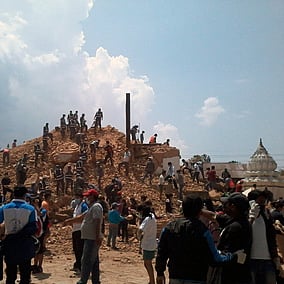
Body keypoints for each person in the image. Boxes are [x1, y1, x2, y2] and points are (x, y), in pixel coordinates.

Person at [156, 194, 240, 284]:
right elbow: (215, 259)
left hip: (175, 278)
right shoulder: (203, 231)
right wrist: (233, 256)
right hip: (197, 278)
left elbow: (161, 252)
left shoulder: (170, 227)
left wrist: (160, 272)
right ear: (200, 211)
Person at [202, 192, 252, 284]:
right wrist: (198, 210)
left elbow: (227, 254)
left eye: (226, 204)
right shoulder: (237, 221)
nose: (223, 206)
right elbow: (213, 216)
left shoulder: (236, 227)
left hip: (232, 276)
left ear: (233, 206)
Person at [0, 186, 37, 284]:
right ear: (25, 196)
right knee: (25, 275)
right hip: (24, 244)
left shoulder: (4, 208)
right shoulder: (31, 209)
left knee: (10, 275)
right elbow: (33, 228)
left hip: (9, 244)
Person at [65, 189, 103, 284]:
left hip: (92, 238)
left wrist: (97, 236)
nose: (87, 198)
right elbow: (81, 217)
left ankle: (83, 280)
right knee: (94, 261)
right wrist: (69, 221)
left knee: (86, 259)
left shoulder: (96, 207)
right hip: (89, 237)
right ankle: (95, 280)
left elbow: (97, 221)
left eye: (88, 196)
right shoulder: (91, 207)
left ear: (93, 196)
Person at [248, 189, 279, 284]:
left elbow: (271, 237)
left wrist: (275, 257)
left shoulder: (267, 216)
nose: (262, 205)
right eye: (260, 202)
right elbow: (245, 232)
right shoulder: (246, 216)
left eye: (263, 202)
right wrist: (252, 217)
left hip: (268, 259)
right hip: (251, 259)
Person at [138, 205, 157, 284]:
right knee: (147, 263)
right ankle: (151, 280)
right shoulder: (152, 217)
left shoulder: (147, 219)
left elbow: (140, 229)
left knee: (148, 264)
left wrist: (138, 236)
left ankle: (152, 281)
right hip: (151, 243)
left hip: (147, 244)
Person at [71, 192, 88, 273]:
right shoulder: (77, 206)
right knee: (75, 249)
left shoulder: (83, 206)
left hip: (80, 229)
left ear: (81, 198)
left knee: (80, 249)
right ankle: (77, 264)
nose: (75, 199)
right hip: (75, 229)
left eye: (77, 197)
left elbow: (84, 217)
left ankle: (81, 266)